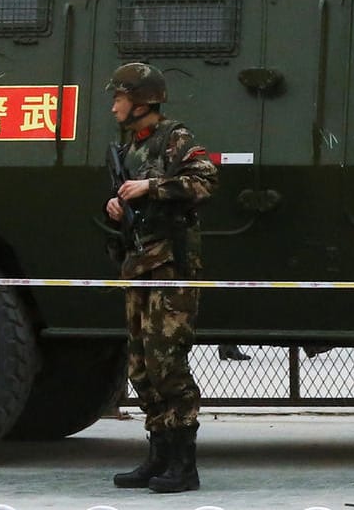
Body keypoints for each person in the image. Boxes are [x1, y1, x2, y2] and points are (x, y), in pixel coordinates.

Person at [103, 62, 217, 493]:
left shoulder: (176, 138)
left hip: (171, 266)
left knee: (166, 363)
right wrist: (115, 207)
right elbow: (126, 204)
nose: (113, 105)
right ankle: (158, 455)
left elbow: (204, 181)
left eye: (119, 97)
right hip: (138, 265)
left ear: (141, 101)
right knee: (140, 366)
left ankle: (183, 464)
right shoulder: (128, 147)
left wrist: (151, 188)